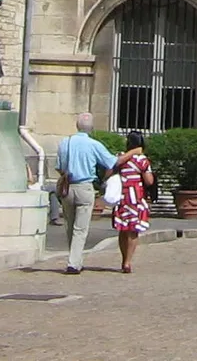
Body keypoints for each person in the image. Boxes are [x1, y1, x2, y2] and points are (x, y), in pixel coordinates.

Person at [56, 112, 117, 274]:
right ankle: (74, 263)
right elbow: (111, 162)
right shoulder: (94, 144)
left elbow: (59, 167)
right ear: (91, 128)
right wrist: (104, 179)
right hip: (85, 186)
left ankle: (74, 259)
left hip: (68, 186)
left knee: (70, 225)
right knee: (80, 228)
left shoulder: (65, 142)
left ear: (77, 126)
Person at [111, 130, 155, 274]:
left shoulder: (120, 157)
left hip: (122, 197)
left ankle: (124, 259)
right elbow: (149, 181)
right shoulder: (142, 160)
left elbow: (109, 171)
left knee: (123, 230)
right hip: (135, 197)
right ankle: (128, 262)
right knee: (133, 231)